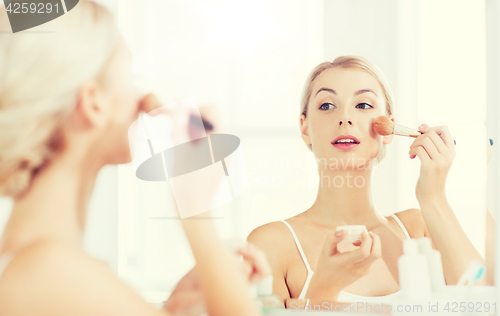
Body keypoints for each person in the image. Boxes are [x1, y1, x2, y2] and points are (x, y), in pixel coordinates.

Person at [0, 1, 268, 315]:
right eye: (131, 76)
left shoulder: (41, 267)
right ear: (93, 103)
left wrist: (173, 309)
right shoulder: (49, 271)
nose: (143, 99)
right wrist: (196, 215)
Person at [247, 56, 486, 306]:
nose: (345, 118)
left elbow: (483, 306)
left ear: (389, 128)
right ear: (305, 128)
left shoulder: (418, 229)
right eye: (327, 105)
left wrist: (433, 196)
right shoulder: (272, 243)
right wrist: (324, 288)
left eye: (362, 105)